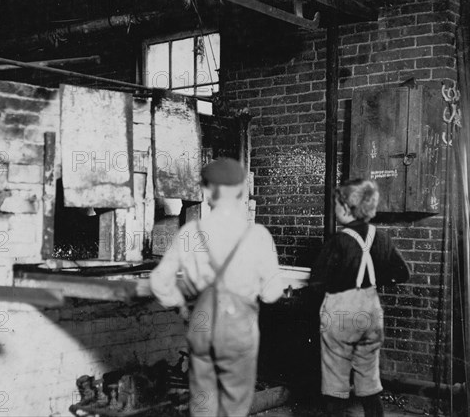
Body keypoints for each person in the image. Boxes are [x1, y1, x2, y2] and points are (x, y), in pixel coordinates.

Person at [149, 158, 284, 417]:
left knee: (202, 401)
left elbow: (159, 282)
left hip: (202, 323)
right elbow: (272, 293)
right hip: (239, 330)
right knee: (234, 405)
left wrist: (179, 304)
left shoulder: (191, 233)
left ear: (207, 191)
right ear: (242, 190)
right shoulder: (257, 236)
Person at [309, 179, 410, 417]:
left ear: (345, 207)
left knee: (336, 380)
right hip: (370, 312)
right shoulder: (381, 238)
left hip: (341, 314)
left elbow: (317, 282)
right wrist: (375, 279)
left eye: (336, 203)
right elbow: (402, 273)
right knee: (369, 380)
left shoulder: (338, 241)